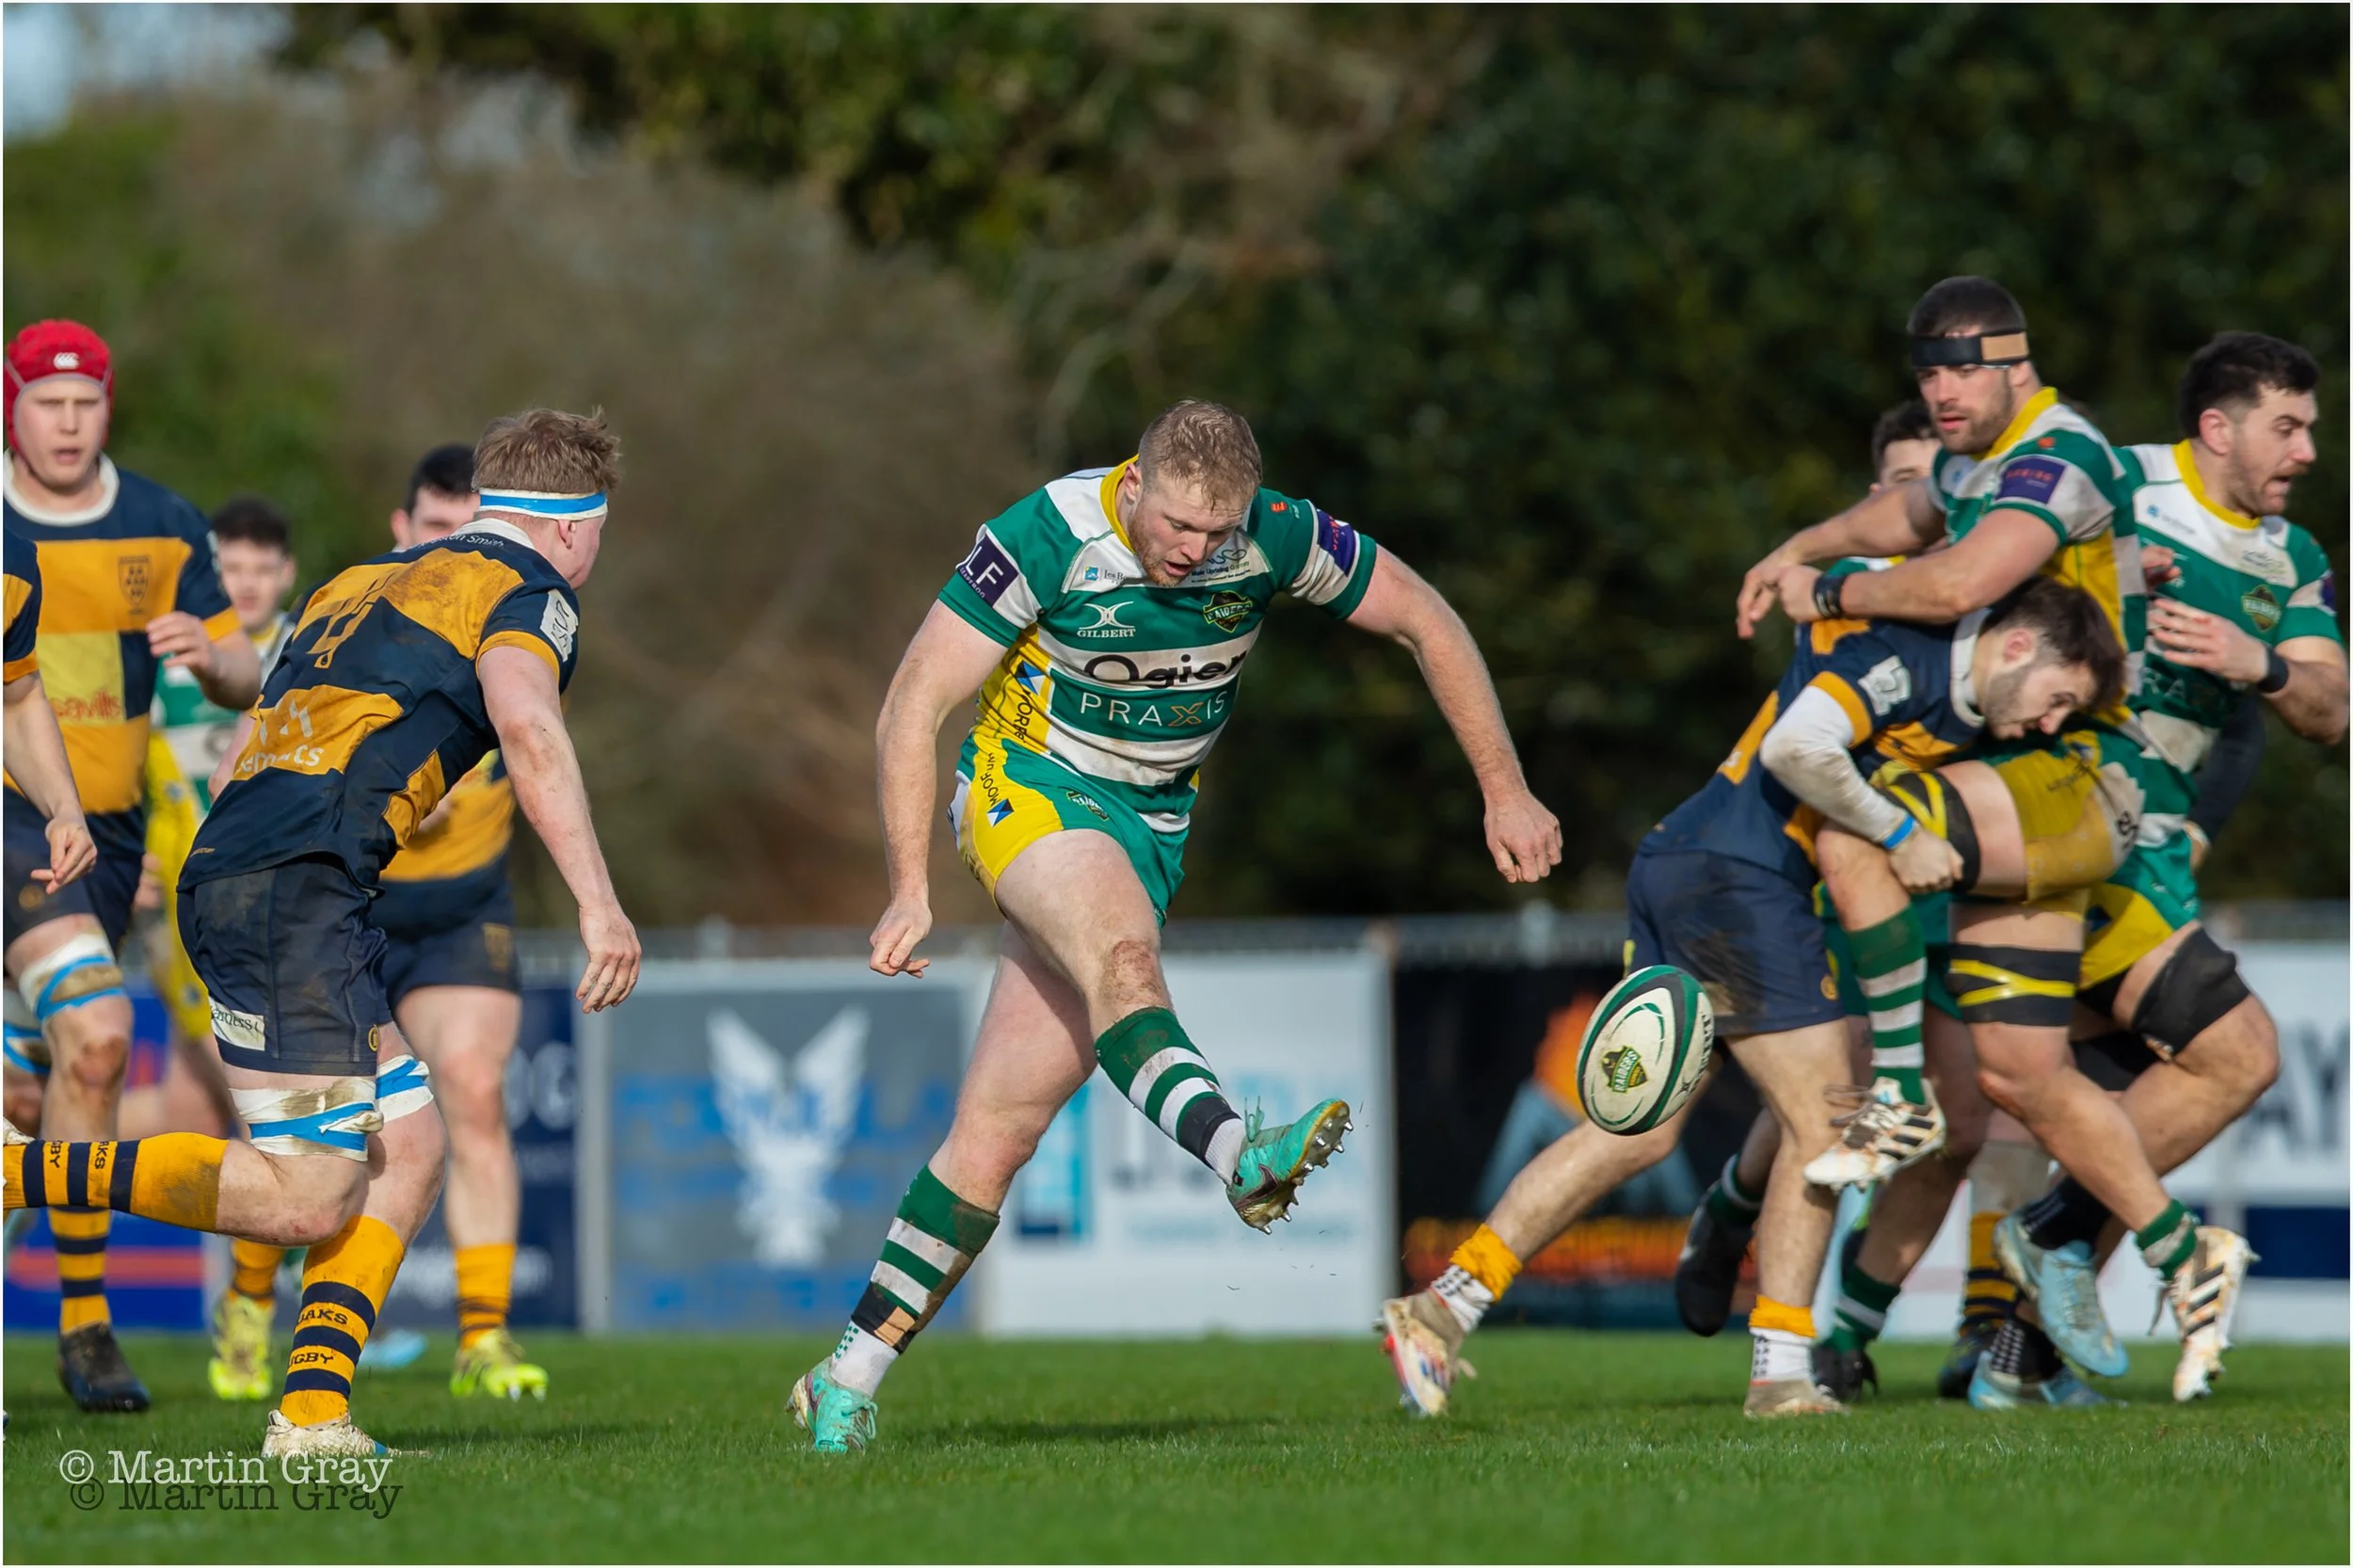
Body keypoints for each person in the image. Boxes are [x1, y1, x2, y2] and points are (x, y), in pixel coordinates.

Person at [794, 399, 1562, 1453]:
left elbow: (1425, 617)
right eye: (1177, 525)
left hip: (1149, 826)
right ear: (1137, 482)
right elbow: (912, 702)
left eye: (1216, 531)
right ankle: (1241, 1154)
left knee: (996, 1136)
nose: (1195, 550)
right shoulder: (1049, 534)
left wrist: (1505, 789)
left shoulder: (1274, 536)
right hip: (1029, 787)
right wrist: (908, 887)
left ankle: (845, 1379)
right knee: (1125, 960)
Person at [4, 407, 639, 1458]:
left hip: (264, 878)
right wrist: (599, 901)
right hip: (292, 891)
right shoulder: (530, 591)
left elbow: (262, 715)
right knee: (308, 1195)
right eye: (600, 532)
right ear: (573, 525)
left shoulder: (358, 581)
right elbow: (527, 722)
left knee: (410, 1144)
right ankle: (15, 1171)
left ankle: (311, 1413)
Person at [1381, 576, 2125, 1420]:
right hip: (1742, 880)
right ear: (2018, 646)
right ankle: (1781, 1374)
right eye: (2058, 698)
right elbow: (1797, 747)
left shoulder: (1951, 687)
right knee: (1824, 1125)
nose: (2052, 723)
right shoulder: (1910, 658)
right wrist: (1900, 833)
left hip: (1685, 862)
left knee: (1638, 1134)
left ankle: (1443, 1308)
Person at [1736, 277, 2252, 1406]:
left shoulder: (2055, 456)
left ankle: (1891, 1107)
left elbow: (1962, 578)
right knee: (2021, 1075)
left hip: (2076, 778)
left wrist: (1829, 588)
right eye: (1926, 372)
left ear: (2018, 365)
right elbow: (1908, 519)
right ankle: (2162, 1249)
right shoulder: (1978, 461)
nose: (1941, 391)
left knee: (1852, 836)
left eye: (1962, 370)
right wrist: (1796, 546)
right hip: (2038, 791)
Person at [211, 444, 551, 1403]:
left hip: (459, 909)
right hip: (335, 903)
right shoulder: (354, 614)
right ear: (402, 529)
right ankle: (251, 1302)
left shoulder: (513, 617)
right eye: (439, 529)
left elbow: (537, 743)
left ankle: (483, 1337)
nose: (461, 549)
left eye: (474, 529)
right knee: (318, 1141)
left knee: (472, 1090)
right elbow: (255, 754)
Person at [1, 319, 260, 1412]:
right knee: (102, 1033)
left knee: (38, 1090)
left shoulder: (161, 522)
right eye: (47, 403)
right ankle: (89, 1321)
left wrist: (217, 656)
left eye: (86, 403)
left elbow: (245, 671)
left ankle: (76, 1323)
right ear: (12, 406)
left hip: (101, 844)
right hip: (18, 825)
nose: (68, 423)